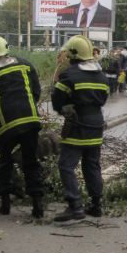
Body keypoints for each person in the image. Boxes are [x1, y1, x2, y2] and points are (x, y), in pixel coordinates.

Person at [0, 36, 44, 218]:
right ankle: (37, 204)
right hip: (30, 120)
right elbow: (36, 91)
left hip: (5, 125)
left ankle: (5, 203)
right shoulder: (25, 65)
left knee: (5, 161)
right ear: (7, 49)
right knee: (31, 161)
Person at [51, 34, 109, 222]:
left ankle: (75, 205)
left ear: (73, 54)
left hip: (77, 125)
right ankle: (96, 204)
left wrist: (65, 106)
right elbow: (104, 97)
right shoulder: (101, 75)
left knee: (66, 165)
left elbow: (57, 101)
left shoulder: (69, 75)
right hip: (96, 125)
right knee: (92, 165)